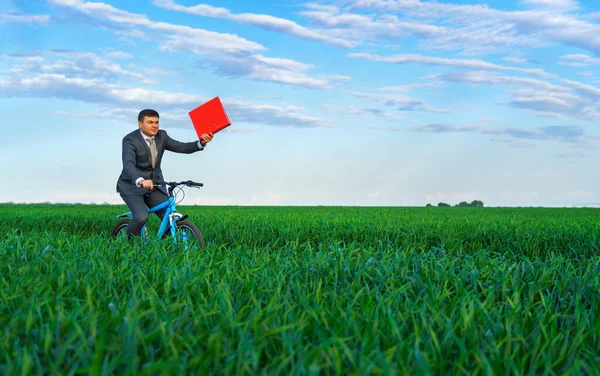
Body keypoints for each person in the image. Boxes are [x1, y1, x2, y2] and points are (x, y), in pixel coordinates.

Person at [116, 109, 213, 239]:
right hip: (131, 186)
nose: (154, 125)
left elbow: (182, 147)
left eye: (156, 122)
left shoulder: (162, 136)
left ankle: (165, 249)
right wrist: (140, 180)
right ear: (140, 124)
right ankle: (131, 247)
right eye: (150, 122)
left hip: (154, 185)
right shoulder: (130, 139)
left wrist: (201, 142)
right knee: (141, 216)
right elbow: (128, 164)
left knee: (168, 218)